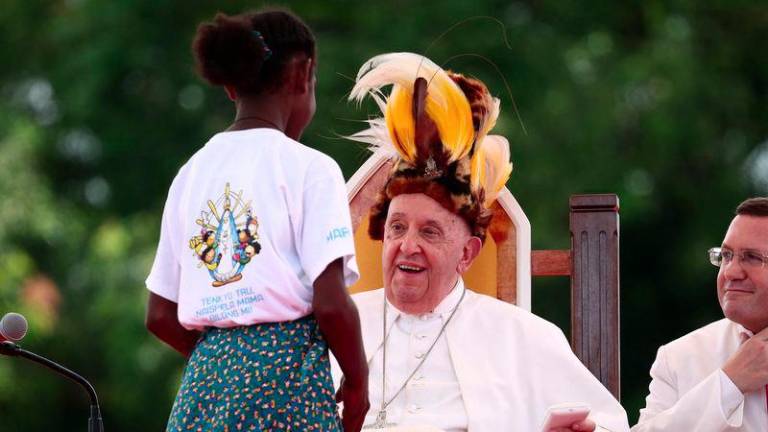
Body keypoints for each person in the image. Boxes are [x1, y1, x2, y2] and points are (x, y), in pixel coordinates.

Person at [334, 52, 629, 432]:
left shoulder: (523, 336)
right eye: (397, 227)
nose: (407, 246)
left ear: (468, 253)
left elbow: (608, 424)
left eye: (429, 232)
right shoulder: (331, 327)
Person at [144, 8, 368, 432]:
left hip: (203, 389)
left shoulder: (189, 173)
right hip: (286, 385)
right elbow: (331, 303)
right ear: (303, 75)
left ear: (230, 88)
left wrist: (226, 359)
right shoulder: (311, 168)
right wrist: (357, 383)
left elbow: (158, 314)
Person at [632, 197, 768, 431]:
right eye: (726, 256)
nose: (731, 272)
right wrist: (728, 384)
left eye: (752, 257)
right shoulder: (678, 359)